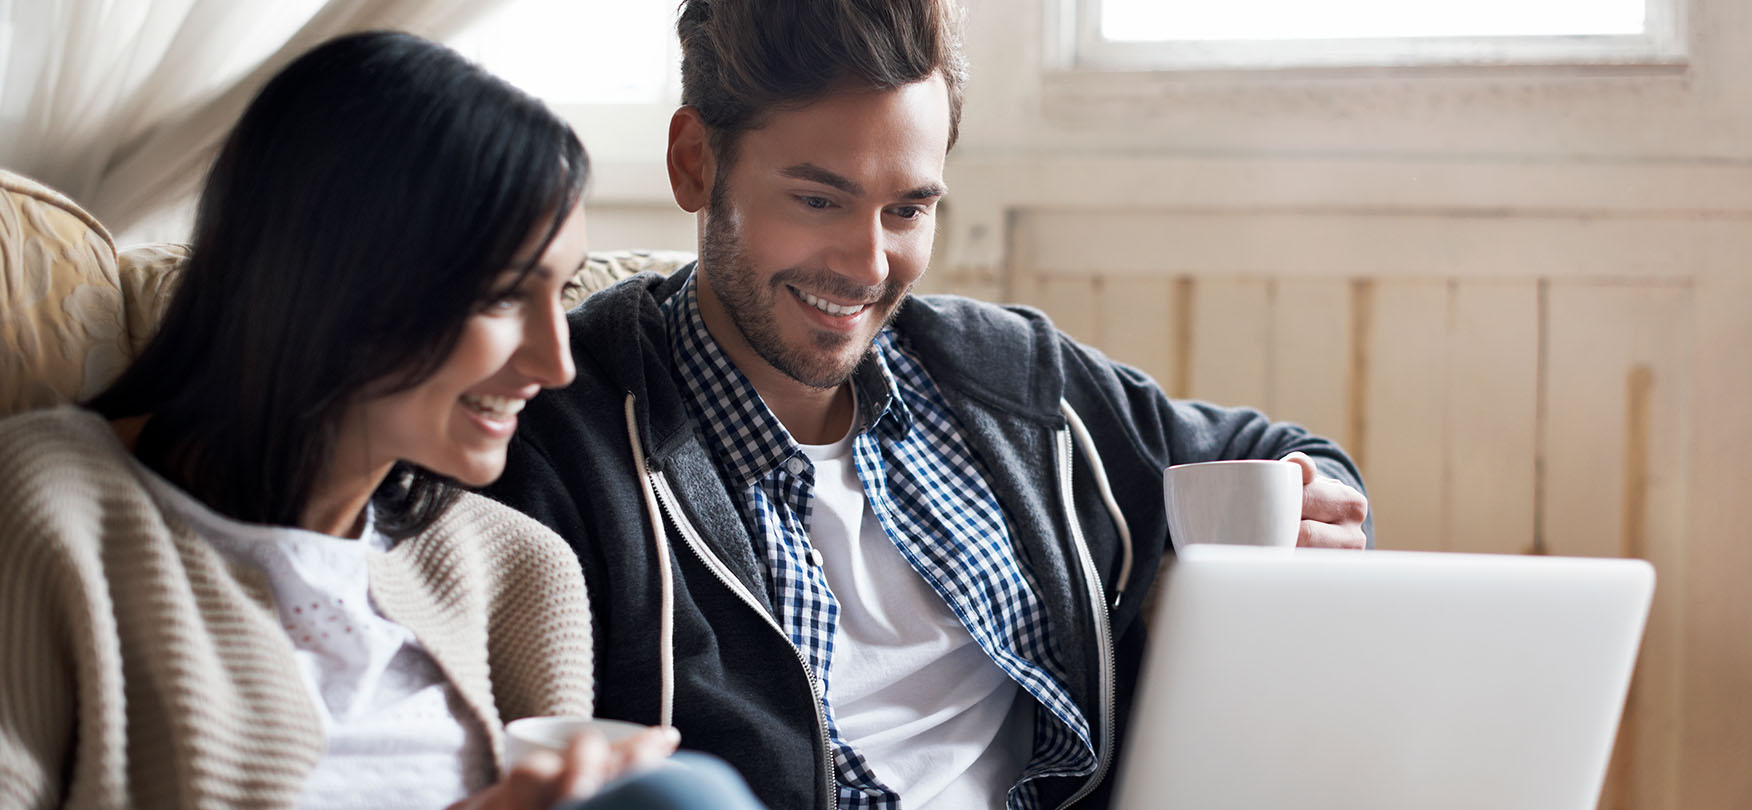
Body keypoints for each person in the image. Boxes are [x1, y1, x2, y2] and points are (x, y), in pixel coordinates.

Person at [478, 1, 1371, 808]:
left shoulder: (1004, 379)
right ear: (695, 164)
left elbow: (1276, 448)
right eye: (820, 197)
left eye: (906, 211)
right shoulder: (567, 432)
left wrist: (1307, 499)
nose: (867, 265)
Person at [0, 31, 762, 810]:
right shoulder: (50, 510)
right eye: (503, 296)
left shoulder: (519, 569)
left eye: (558, 293)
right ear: (338, 282)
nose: (554, 364)